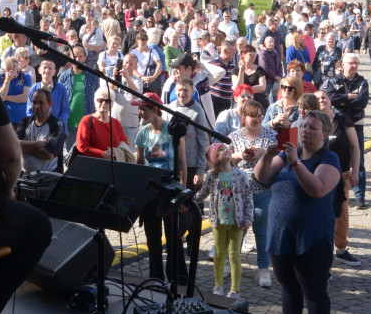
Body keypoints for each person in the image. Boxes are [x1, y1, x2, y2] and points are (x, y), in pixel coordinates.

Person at [255, 110, 341, 314]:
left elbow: (317, 189)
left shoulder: (328, 158)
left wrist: (295, 162)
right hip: (280, 233)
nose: (306, 130)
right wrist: (267, 155)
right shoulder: (287, 154)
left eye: (313, 128)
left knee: (313, 291)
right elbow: (261, 177)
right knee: (288, 289)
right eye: (303, 126)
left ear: (324, 135)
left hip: (311, 237)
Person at [133, 93, 188, 283]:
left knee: (173, 236)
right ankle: (155, 277)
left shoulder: (173, 131)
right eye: (139, 108)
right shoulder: (142, 134)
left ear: (154, 109)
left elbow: (182, 164)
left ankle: (177, 276)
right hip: (150, 191)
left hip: (171, 190)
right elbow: (139, 164)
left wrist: (183, 194)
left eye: (143, 108)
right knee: (152, 237)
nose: (140, 112)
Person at [231, 99, 279, 288]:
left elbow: (280, 157)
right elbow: (224, 160)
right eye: (253, 116)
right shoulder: (234, 136)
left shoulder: (271, 135)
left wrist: (265, 152)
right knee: (237, 232)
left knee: (262, 231)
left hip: (263, 189)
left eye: (260, 116)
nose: (257, 119)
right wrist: (238, 156)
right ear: (244, 116)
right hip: (239, 192)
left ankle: (263, 268)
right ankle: (230, 263)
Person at [197, 143, 253, 299]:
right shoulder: (212, 176)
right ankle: (218, 285)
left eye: (226, 148)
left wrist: (248, 218)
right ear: (215, 158)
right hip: (218, 223)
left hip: (237, 223)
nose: (226, 150)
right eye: (220, 150)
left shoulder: (240, 175)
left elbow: (248, 197)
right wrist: (190, 200)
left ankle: (235, 289)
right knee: (220, 254)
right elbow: (203, 193)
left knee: (234, 256)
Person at [316, 89, 360, 266]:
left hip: (341, 173)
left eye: (324, 97)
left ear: (330, 100)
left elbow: (355, 147)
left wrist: (355, 171)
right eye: (317, 98)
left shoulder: (342, 120)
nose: (321, 100)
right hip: (317, 174)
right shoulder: (313, 121)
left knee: (341, 211)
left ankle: (341, 248)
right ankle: (319, 248)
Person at [321, 53, 369, 207]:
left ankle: (360, 196)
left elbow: (362, 102)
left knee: (358, 161)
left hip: (356, 124)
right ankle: (332, 188)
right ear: (343, 64)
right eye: (350, 63)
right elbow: (330, 99)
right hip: (337, 125)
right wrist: (348, 97)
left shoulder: (362, 82)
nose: (353, 66)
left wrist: (341, 100)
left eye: (356, 63)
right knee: (335, 158)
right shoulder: (333, 81)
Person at [16, 87, 66, 173]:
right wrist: (38, 144)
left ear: (50, 104)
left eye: (41, 103)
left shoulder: (57, 125)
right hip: (24, 175)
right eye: (34, 102)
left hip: (47, 176)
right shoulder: (24, 122)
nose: (37, 106)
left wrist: (25, 145)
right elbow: (14, 146)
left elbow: (49, 155)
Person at [75, 87, 129, 159]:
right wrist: (103, 154)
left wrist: (116, 153)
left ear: (112, 104)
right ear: (95, 102)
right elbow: (81, 146)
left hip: (112, 164)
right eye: (100, 100)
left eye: (108, 101)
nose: (104, 103)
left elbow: (124, 145)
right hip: (92, 165)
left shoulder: (116, 123)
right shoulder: (87, 120)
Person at [104, 52, 143, 147]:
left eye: (131, 64)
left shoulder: (138, 81)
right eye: (126, 63)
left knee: (129, 153)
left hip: (129, 125)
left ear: (136, 66)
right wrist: (114, 79)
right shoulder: (114, 78)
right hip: (113, 122)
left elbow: (137, 94)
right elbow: (107, 94)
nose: (127, 66)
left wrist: (128, 78)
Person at [0, 56, 32, 127]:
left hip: (22, 118)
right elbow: (1, 99)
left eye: (18, 70)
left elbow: (24, 98)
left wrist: (6, 97)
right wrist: (7, 80)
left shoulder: (25, 76)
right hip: (5, 119)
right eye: (13, 71)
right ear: (5, 70)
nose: (16, 73)